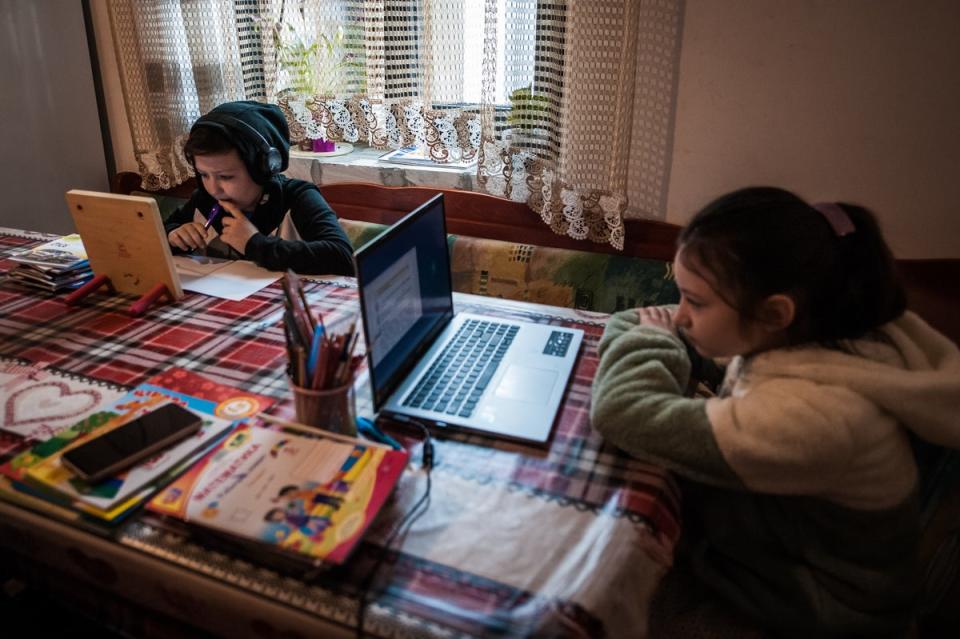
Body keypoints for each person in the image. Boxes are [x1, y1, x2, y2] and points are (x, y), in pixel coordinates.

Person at [590, 187, 960, 637]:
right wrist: (659, 332)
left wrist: (654, 339)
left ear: (775, 313)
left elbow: (622, 411)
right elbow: (639, 323)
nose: (682, 316)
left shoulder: (817, 413)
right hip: (775, 556)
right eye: (681, 297)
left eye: (697, 302)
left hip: (817, 611)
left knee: (608, 602)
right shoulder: (821, 331)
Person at [165, 100, 354, 275]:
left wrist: (254, 244)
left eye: (225, 177)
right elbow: (163, 231)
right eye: (204, 175)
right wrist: (173, 236)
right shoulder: (204, 200)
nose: (214, 189)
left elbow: (341, 257)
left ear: (263, 169)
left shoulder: (298, 197)